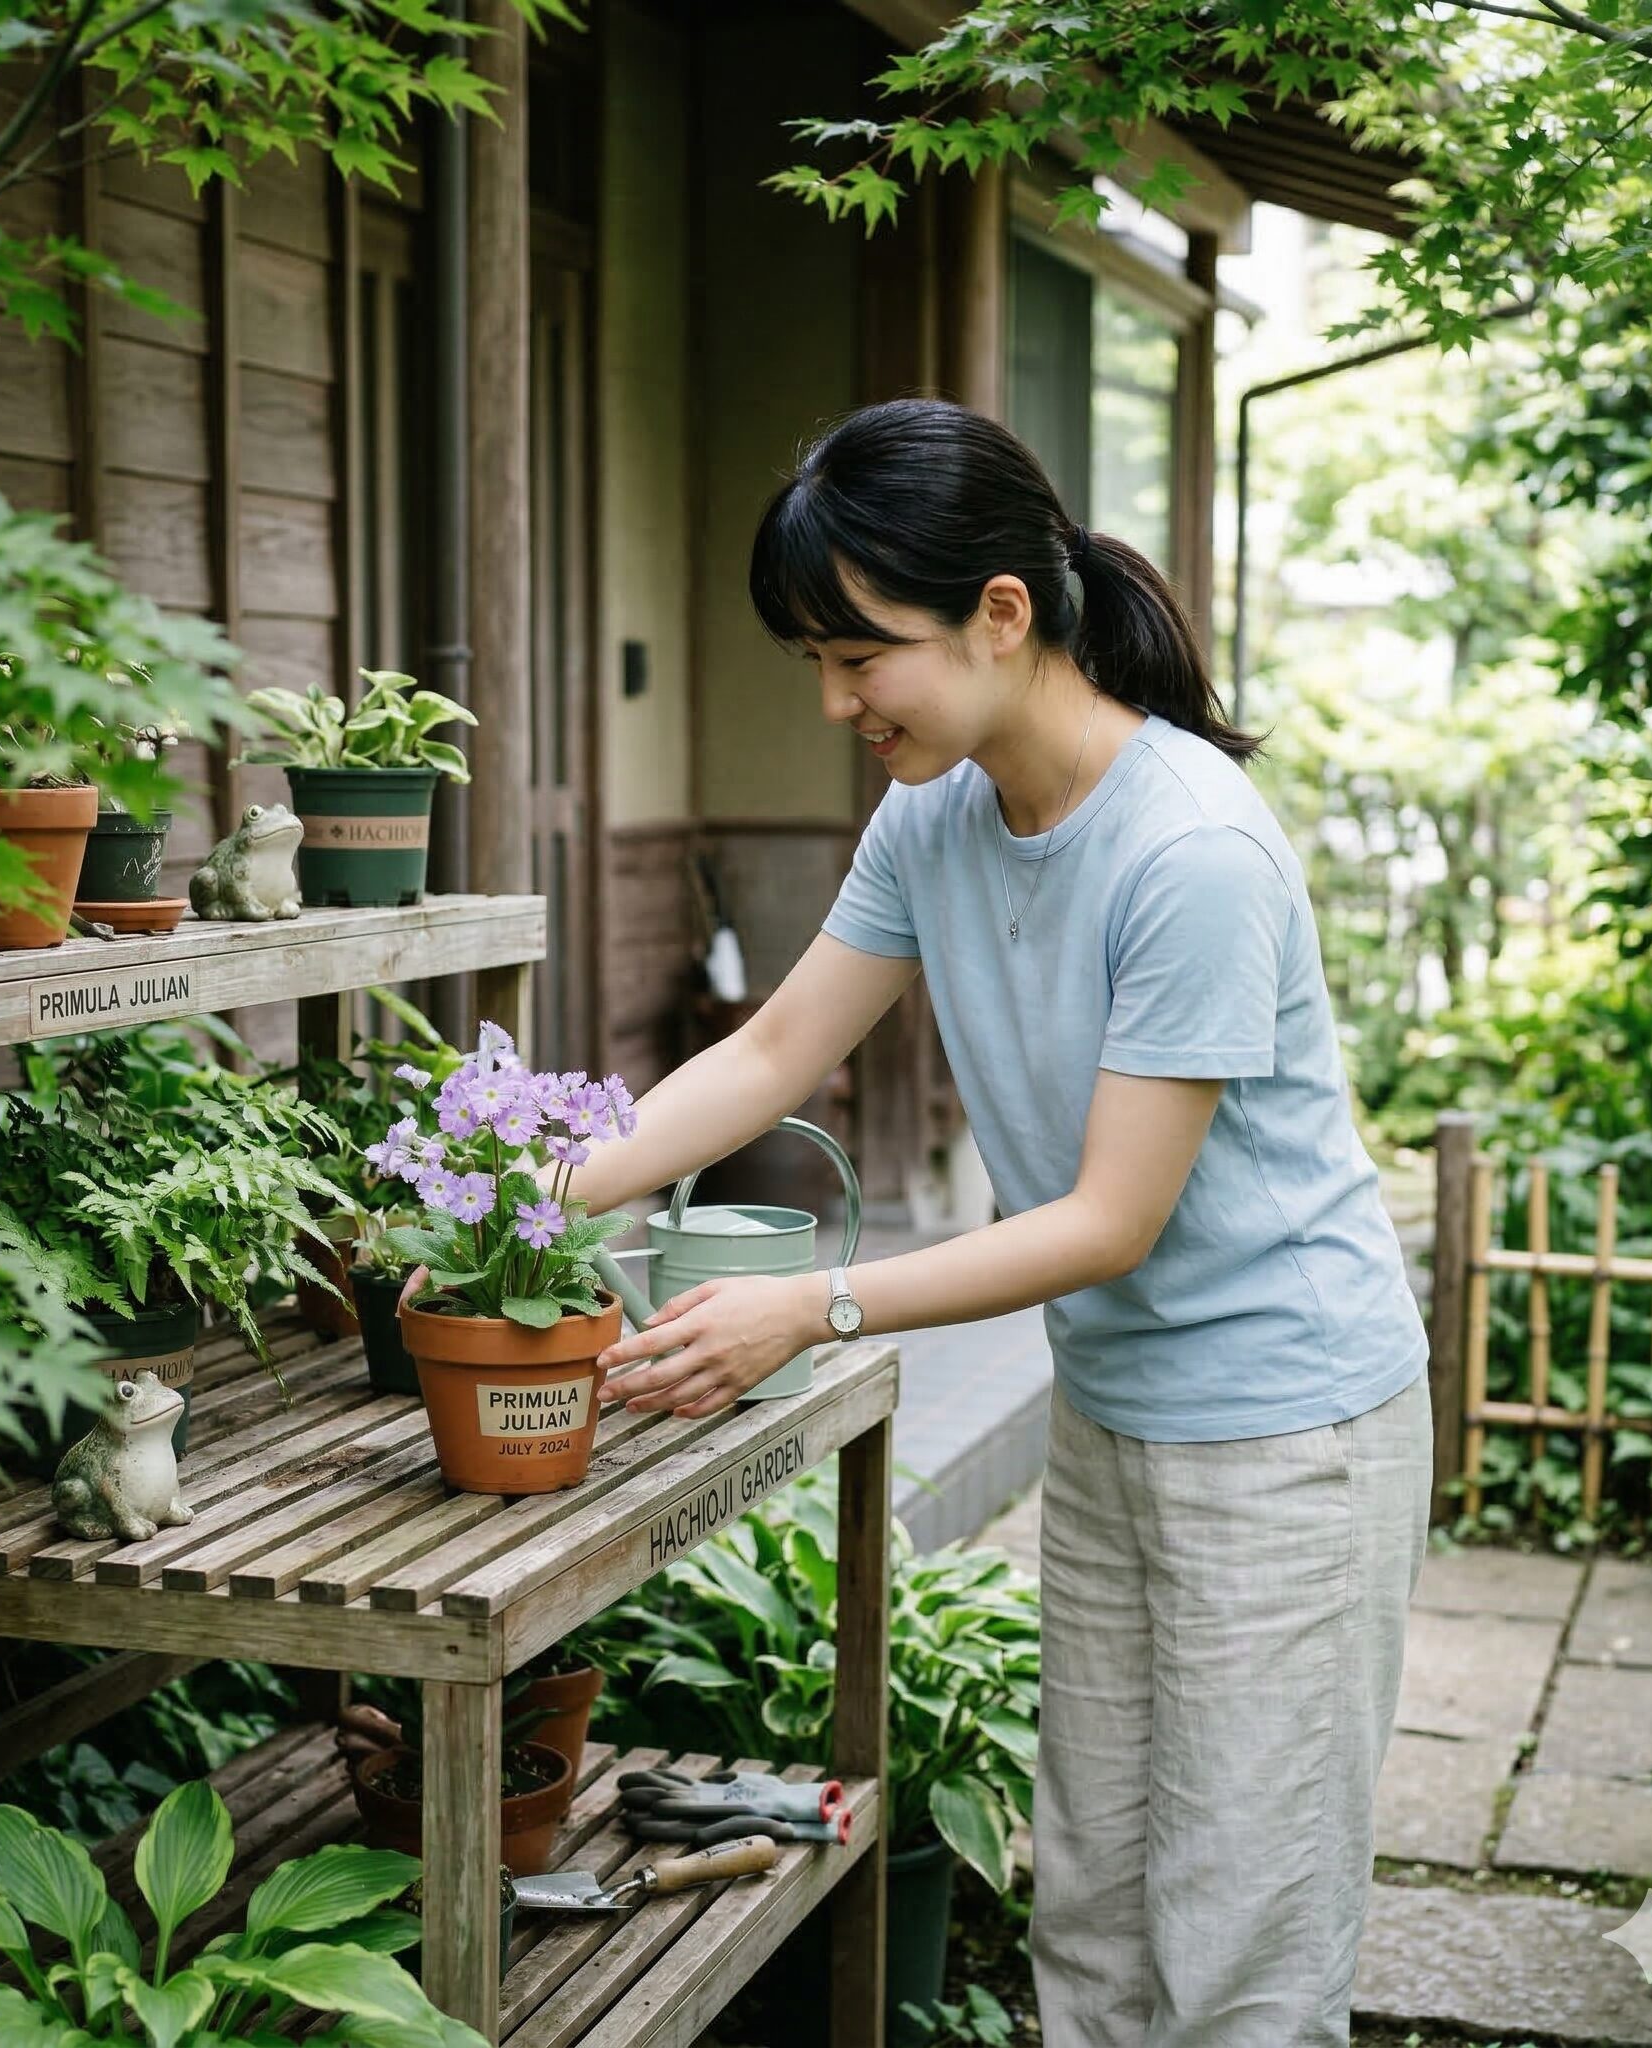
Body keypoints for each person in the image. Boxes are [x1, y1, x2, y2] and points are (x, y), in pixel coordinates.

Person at [549, 398, 1431, 2043]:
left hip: (1295, 1435)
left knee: (1242, 1941)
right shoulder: (935, 814)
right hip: (1116, 1416)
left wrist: (813, 1307)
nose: (833, 702)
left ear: (1001, 617)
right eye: (812, 659)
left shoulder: (1194, 853)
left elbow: (1108, 1221)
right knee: (1091, 1908)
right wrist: (519, 1195)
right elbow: (769, 1050)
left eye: (859, 655)